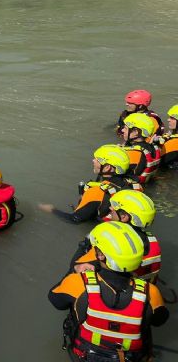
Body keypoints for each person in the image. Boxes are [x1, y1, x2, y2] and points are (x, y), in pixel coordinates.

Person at [49, 221, 168, 362]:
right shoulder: (151, 292)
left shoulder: (78, 283)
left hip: (85, 355)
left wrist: (74, 271)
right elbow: (160, 320)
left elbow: (55, 300)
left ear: (100, 255)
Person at [71, 191, 161, 283]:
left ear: (124, 217)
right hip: (141, 288)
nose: (110, 208)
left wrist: (86, 243)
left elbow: (74, 266)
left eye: (115, 207)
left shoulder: (111, 244)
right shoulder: (153, 242)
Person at [39, 145, 141, 223]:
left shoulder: (96, 192)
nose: (93, 160)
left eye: (97, 159)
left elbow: (74, 219)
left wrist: (52, 210)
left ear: (107, 168)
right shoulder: (133, 184)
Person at [121, 114, 161, 185]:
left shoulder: (134, 152)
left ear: (136, 132)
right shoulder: (153, 147)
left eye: (125, 128)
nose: (122, 130)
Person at [158, 104, 178, 169]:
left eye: (172, 118)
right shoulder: (171, 135)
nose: (168, 120)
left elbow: (159, 163)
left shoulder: (173, 143)